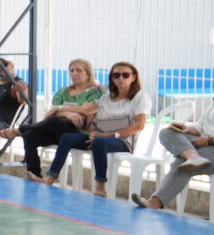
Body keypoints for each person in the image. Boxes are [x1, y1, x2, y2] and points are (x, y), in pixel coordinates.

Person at [44, 61, 150, 197]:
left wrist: (110, 135)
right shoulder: (106, 98)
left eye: (125, 75)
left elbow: (139, 125)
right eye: (116, 75)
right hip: (100, 137)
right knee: (68, 138)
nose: (121, 78)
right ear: (112, 78)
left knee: (99, 142)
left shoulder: (140, 97)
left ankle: (100, 187)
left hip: (123, 141)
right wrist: (93, 133)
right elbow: (96, 120)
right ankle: (50, 177)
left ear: (133, 77)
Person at [9, 59, 101, 181]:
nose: (74, 73)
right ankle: (35, 175)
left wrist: (60, 109)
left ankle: (20, 129)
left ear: (88, 73)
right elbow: (50, 114)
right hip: (59, 131)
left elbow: (86, 110)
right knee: (30, 135)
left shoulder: (97, 90)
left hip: (80, 134)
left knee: (56, 121)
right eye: (72, 71)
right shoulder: (63, 91)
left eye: (79, 70)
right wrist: (68, 114)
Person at [133, 95, 214, 211]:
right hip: (205, 142)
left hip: (213, 145)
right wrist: (187, 129)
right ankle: (192, 156)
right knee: (167, 133)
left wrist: (209, 141)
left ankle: (154, 202)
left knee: (183, 163)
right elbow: (201, 124)